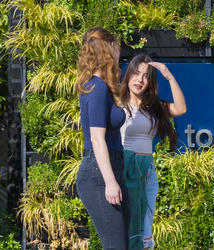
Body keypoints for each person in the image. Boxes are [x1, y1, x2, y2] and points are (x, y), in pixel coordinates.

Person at [119, 53, 186, 249]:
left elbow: (181, 108)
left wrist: (169, 76)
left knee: (146, 231)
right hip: (124, 170)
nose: (140, 79)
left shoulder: (153, 107)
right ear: (128, 74)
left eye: (146, 76)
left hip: (147, 171)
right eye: (136, 73)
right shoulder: (117, 104)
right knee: (127, 228)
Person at [74, 27, 129, 250]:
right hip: (98, 175)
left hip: (111, 167)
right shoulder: (96, 89)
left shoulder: (104, 87)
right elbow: (97, 139)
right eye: (116, 46)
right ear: (108, 49)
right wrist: (110, 182)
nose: (119, 51)